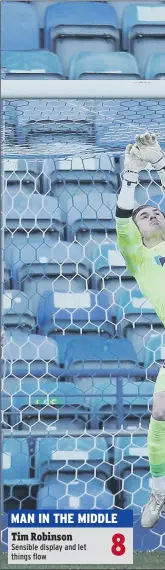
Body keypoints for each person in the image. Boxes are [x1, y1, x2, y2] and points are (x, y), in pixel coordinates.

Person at [116, 132, 165, 528]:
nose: (152, 215)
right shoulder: (139, 257)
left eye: (157, 211)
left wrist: (160, 164)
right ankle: (159, 490)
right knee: (160, 412)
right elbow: (122, 220)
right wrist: (131, 176)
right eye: (144, 215)